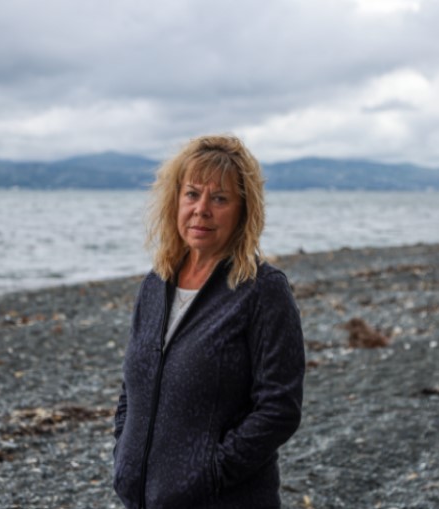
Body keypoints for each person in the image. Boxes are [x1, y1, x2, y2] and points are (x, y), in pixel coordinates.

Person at [113, 134, 305, 509]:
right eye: (192, 194)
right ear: (175, 200)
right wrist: (124, 456)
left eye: (219, 198)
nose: (202, 209)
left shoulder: (262, 291)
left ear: (243, 210)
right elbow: (130, 389)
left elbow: (279, 409)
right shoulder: (155, 284)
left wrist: (209, 474)